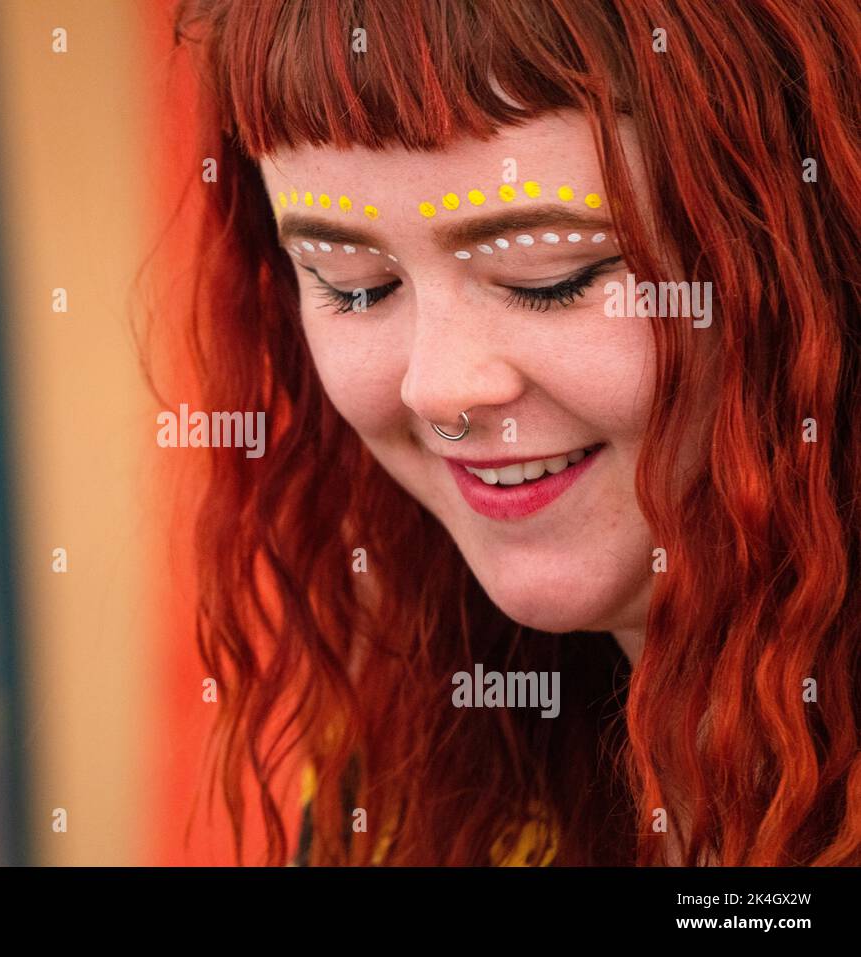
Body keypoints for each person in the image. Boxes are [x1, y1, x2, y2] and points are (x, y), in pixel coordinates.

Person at [158, 0, 861, 865]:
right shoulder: (398, 779)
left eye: (549, 277)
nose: (441, 388)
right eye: (353, 285)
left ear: (814, 262)